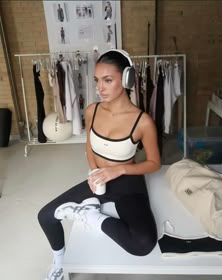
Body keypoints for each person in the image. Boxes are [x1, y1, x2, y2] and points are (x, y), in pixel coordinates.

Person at [38, 49, 161, 280]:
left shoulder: (142, 121)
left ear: (126, 79)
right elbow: (89, 147)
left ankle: (90, 217)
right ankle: (59, 260)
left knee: (143, 244)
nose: (100, 88)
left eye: (107, 80)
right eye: (96, 81)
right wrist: (95, 173)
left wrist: (120, 169)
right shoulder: (92, 110)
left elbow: (154, 163)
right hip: (98, 180)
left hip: (128, 183)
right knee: (45, 216)